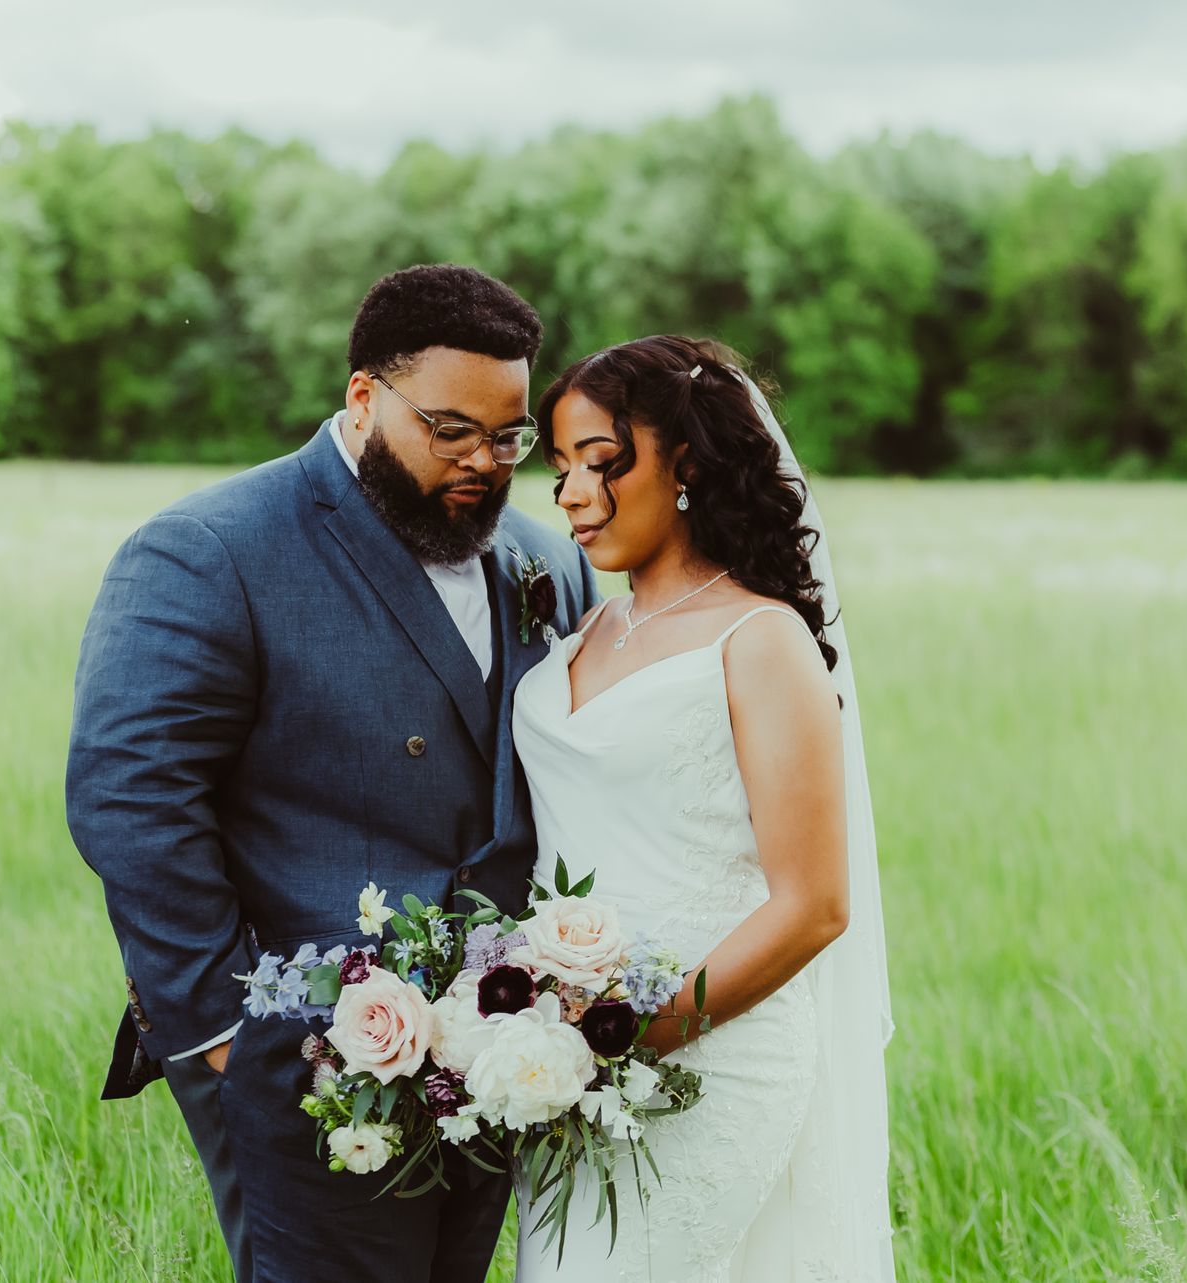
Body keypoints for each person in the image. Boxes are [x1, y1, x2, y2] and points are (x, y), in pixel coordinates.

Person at [66, 264, 598, 1282]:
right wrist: (229, 1034)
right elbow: (127, 794)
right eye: (452, 430)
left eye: (509, 435)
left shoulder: (546, 559)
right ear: (364, 396)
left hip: (502, 1049)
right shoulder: (207, 549)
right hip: (303, 1048)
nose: (485, 462)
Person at [512, 336, 896, 1281]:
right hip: (555, 1062)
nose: (568, 494)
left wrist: (633, 1032)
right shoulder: (585, 626)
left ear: (685, 466)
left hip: (706, 1054)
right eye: (560, 467)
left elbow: (815, 904)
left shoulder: (761, 639)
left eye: (602, 463)